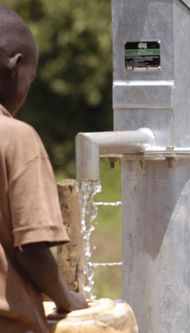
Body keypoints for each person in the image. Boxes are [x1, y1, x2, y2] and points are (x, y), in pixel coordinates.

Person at [0, 5, 88, 333]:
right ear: (15, 66)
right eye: (31, 79)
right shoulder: (16, 138)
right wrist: (66, 298)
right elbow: (32, 251)